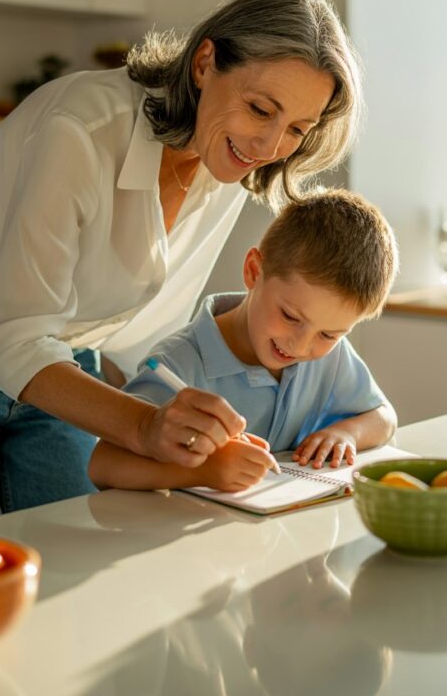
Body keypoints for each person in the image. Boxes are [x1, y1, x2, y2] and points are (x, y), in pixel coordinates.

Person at [0, 0, 363, 527]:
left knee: (72, 552)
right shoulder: (81, 130)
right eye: (260, 108)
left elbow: (148, 319)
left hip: (64, 353)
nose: (269, 147)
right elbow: (10, 338)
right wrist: (145, 425)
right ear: (205, 63)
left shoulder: (228, 158)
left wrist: (183, 423)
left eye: (297, 128)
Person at [88, 189, 398, 494]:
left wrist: (347, 433)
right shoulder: (179, 361)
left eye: (328, 334)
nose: (301, 346)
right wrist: (202, 471)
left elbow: (384, 418)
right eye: (290, 316)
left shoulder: (332, 356)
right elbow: (103, 465)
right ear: (253, 271)